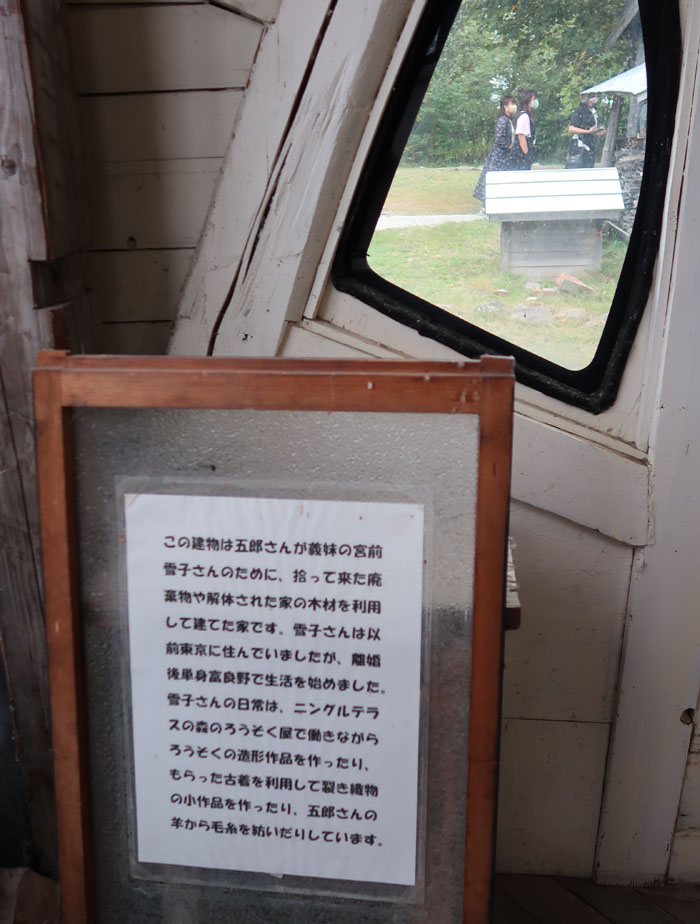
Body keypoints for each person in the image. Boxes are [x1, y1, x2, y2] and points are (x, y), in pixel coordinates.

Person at [473, 95, 518, 201]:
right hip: (499, 157)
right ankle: (487, 204)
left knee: (500, 181)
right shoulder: (503, 120)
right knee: (494, 181)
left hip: (504, 156)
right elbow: (499, 138)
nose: (514, 106)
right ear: (505, 107)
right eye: (512, 104)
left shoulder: (508, 120)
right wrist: (509, 146)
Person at [565, 94, 606, 168]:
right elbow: (571, 129)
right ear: (588, 98)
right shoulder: (580, 110)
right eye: (594, 96)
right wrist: (588, 131)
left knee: (589, 167)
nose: (596, 98)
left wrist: (598, 134)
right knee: (577, 167)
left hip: (590, 145)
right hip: (578, 145)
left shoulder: (594, 111)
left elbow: (591, 130)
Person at [513, 89, 538, 170]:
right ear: (528, 100)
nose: (536, 101)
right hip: (520, 155)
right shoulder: (524, 116)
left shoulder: (522, 115)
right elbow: (521, 136)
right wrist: (526, 155)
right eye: (534, 98)